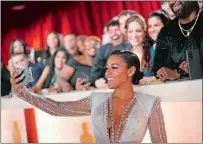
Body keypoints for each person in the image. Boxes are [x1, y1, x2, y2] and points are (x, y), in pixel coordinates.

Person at [11, 50, 167, 143]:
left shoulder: (150, 103)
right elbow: (58, 109)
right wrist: (23, 93)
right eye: (107, 69)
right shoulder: (97, 100)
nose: (107, 74)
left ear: (131, 71)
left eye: (114, 68)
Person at [153, 1, 203, 82]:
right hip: (178, 91)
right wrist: (164, 73)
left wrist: (178, 72)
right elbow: (158, 69)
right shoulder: (166, 32)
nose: (171, 2)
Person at [90, 20, 131, 88]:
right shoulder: (104, 49)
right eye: (111, 32)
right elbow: (96, 68)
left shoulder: (129, 46)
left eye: (117, 30)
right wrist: (94, 82)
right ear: (108, 34)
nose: (114, 34)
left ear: (123, 31)